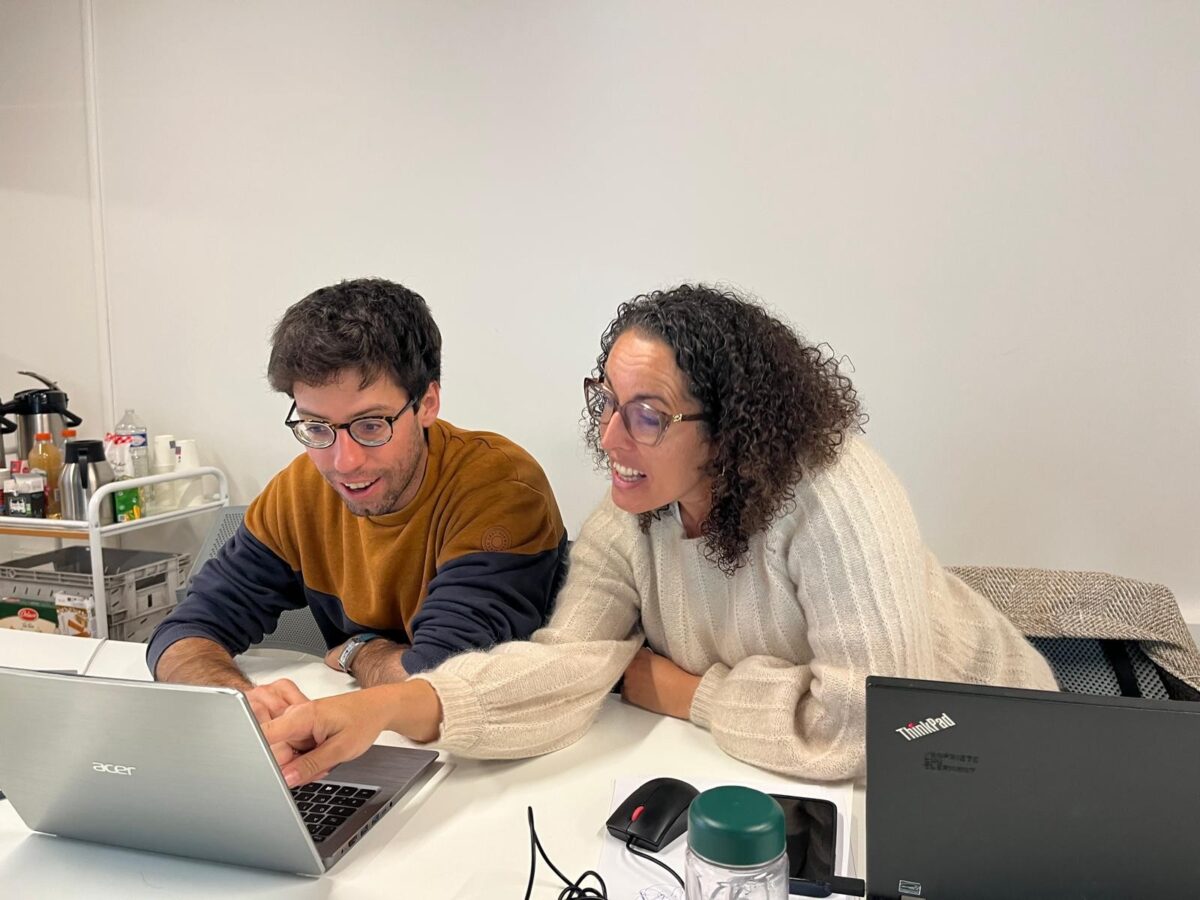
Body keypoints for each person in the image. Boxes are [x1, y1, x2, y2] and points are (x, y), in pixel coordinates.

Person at [262, 284, 1057, 784]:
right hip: (798, 776)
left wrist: (682, 690)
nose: (609, 438)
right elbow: (568, 669)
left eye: (647, 415)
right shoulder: (631, 517)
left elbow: (873, 729)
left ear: (730, 427)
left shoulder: (836, 500)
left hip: (994, 755)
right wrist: (389, 709)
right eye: (605, 402)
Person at [148, 278, 568, 722]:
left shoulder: (500, 488)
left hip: (512, 741)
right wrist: (239, 701)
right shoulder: (299, 491)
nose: (344, 463)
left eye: (370, 425)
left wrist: (359, 652)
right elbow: (183, 632)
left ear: (427, 403)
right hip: (373, 733)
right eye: (316, 427)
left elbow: (442, 685)